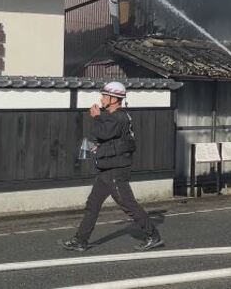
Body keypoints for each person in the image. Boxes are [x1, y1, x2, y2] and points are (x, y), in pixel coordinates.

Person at [61, 82, 163, 252]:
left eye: (104, 96)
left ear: (114, 99)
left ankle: (153, 236)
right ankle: (80, 240)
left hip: (116, 170)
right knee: (92, 204)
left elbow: (102, 132)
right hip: (107, 169)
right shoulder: (113, 117)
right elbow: (105, 135)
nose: (101, 99)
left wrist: (96, 116)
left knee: (128, 204)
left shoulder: (119, 117)